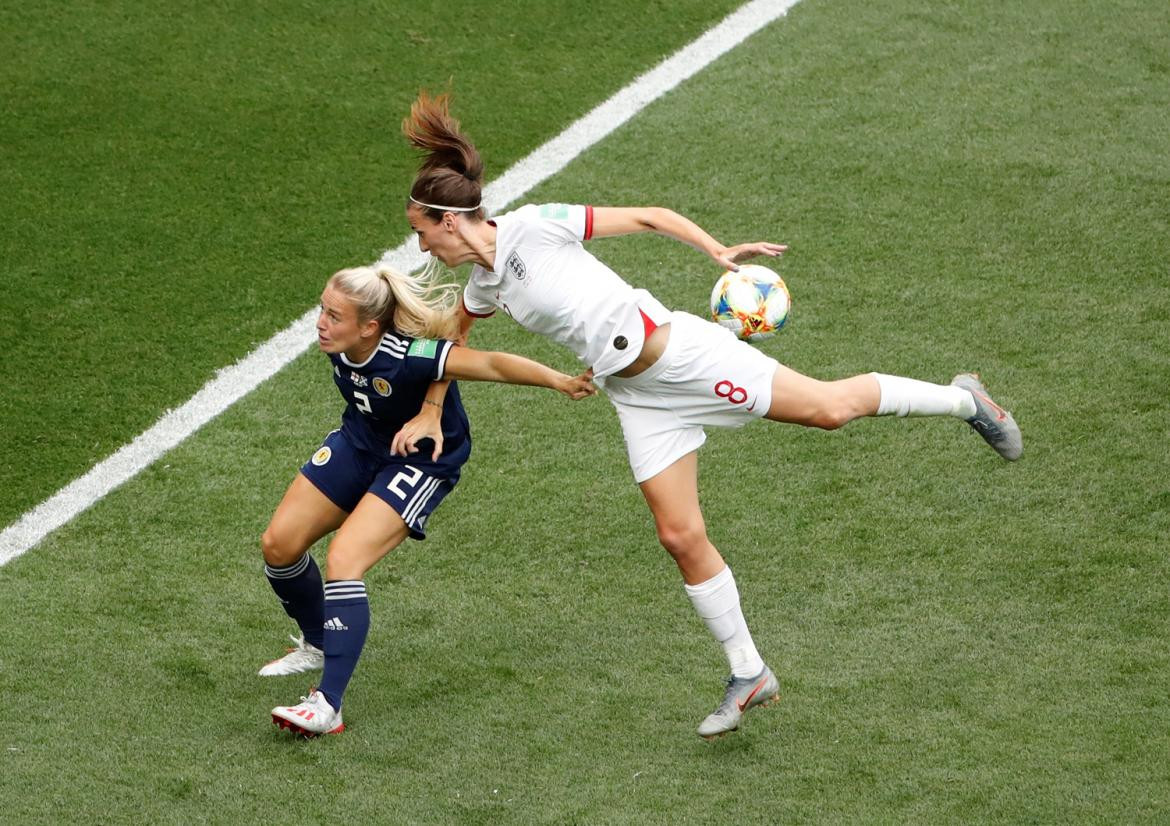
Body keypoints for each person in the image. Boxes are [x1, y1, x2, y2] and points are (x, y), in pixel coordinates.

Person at [396, 91, 1022, 740]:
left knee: (830, 409)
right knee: (679, 537)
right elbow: (456, 340)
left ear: (448, 220)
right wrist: (434, 407)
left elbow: (649, 217)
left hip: (681, 356)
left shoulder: (535, 223)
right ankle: (749, 672)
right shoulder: (483, 285)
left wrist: (716, 250)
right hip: (636, 396)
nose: (420, 247)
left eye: (420, 231)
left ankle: (966, 399)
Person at [262, 263, 594, 736]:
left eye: (334, 316)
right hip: (360, 444)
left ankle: (327, 704)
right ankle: (316, 643)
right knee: (279, 545)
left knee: (345, 559)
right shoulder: (342, 342)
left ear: (369, 327)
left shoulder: (408, 354)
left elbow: (491, 363)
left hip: (418, 461)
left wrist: (561, 381)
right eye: (322, 309)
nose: (321, 323)